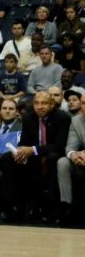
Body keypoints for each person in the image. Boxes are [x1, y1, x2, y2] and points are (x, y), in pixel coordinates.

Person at [0, 91, 72, 223]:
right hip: (34, 156)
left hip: (52, 155)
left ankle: (53, 210)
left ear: (52, 104)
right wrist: (19, 151)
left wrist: (32, 150)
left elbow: (59, 145)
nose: (40, 107)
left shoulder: (62, 118)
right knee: (7, 158)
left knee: (52, 157)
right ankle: (12, 207)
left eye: (44, 103)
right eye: (36, 103)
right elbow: (24, 142)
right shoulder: (28, 117)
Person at [57, 92, 85, 223]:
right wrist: (74, 156)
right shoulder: (76, 120)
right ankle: (66, 207)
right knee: (63, 162)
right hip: (82, 163)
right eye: (84, 103)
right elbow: (70, 146)